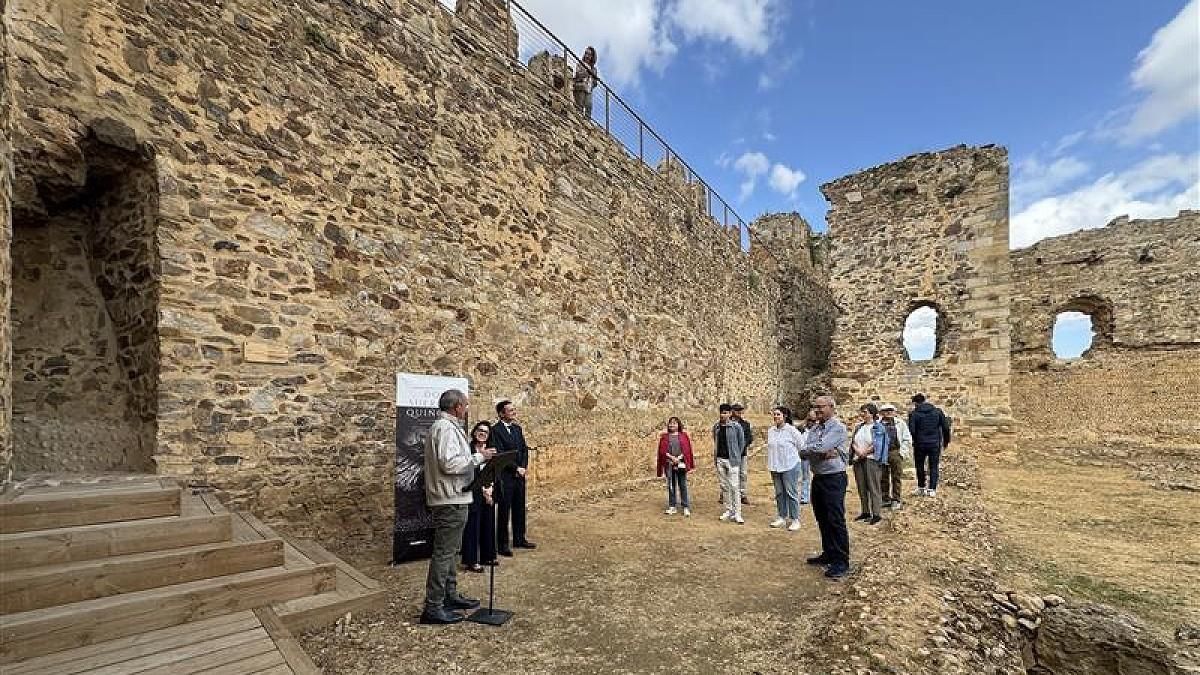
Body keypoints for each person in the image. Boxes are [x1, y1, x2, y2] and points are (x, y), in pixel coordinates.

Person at [421, 389, 494, 624]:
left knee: (451, 551)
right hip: (449, 498)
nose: (467, 409)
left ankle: (449, 595)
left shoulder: (448, 427)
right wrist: (479, 457)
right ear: (457, 407)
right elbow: (450, 464)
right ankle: (433, 606)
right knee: (444, 553)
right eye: (466, 405)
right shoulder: (444, 428)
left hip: (455, 497)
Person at [799, 395, 851, 579]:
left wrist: (818, 450)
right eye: (816, 407)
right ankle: (828, 553)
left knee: (835, 520)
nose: (818, 410)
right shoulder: (815, 428)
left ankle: (841, 561)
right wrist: (819, 450)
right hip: (819, 478)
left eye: (821, 407)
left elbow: (818, 448)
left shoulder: (837, 428)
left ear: (831, 407)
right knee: (822, 518)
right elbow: (804, 451)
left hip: (834, 479)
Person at [490, 400, 537, 555]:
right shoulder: (495, 431)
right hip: (506, 476)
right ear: (501, 414)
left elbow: (523, 449)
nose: (514, 412)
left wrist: (523, 467)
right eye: (510, 410)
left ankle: (519, 538)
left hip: (519, 475)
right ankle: (502, 544)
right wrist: (515, 468)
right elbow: (500, 453)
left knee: (519, 507)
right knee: (504, 509)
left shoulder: (517, 429)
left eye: (513, 409)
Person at [461, 422, 498, 573]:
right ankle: (471, 560)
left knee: (488, 522)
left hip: (488, 491)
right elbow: (466, 470)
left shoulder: (491, 451)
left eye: (486, 432)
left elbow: (495, 470)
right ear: (474, 432)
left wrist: (490, 488)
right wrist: (482, 490)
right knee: (472, 526)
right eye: (480, 430)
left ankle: (487, 556)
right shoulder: (467, 449)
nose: (482, 433)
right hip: (473, 492)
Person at [766, 406, 805, 532]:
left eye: (778, 414)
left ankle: (795, 519)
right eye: (774, 414)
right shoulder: (771, 431)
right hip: (775, 466)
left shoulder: (792, 431)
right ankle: (781, 516)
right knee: (779, 493)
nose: (776, 417)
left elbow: (801, 446)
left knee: (791, 492)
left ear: (785, 416)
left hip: (790, 465)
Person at [907, 393, 952, 497]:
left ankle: (921, 487)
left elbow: (912, 430)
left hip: (920, 444)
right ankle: (932, 489)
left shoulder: (914, 414)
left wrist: (915, 440)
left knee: (919, 466)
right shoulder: (937, 411)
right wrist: (946, 441)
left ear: (915, 403)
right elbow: (945, 427)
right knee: (933, 466)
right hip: (934, 443)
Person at [850, 403, 888, 525]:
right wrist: (857, 451)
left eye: (865, 412)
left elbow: (877, 444)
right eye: (862, 412)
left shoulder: (878, 427)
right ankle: (865, 511)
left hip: (871, 459)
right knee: (862, 486)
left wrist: (864, 453)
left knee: (873, 486)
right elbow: (853, 441)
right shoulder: (859, 427)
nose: (862, 414)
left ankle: (876, 513)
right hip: (858, 459)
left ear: (872, 414)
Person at [712, 404, 747, 524]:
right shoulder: (716, 427)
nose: (723, 415)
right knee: (724, 486)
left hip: (732, 460)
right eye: (722, 412)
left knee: (734, 486)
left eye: (726, 413)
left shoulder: (736, 427)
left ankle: (737, 513)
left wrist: (736, 454)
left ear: (730, 414)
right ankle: (728, 509)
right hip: (720, 459)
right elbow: (715, 441)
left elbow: (741, 442)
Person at [656, 417, 695, 516]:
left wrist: (679, 458)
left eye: (674, 423)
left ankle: (685, 506)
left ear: (679, 425)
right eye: (670, 423)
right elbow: (662, 451)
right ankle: (672, 506)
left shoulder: (683, 436)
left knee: (683, 484)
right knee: (671, 485)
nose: (672, 425)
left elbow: (687, 450)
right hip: (670, 463)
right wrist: (672, 458)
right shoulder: (664, 437)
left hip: (681, 463)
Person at [878, 404, 912, 508]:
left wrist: (902, 453)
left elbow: (907, 438)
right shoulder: (878, 424)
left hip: (895, 451)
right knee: (883, 476)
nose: (888, 412)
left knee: (896, 476)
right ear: (882, 412)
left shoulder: (900, 423)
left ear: (894, 412)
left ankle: (896, 499)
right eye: (886, 410)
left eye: (890, 410)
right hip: (882, 452)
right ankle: (885, 498)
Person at [731, 403, 753, 505]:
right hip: (730, 454)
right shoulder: (727, 423)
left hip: (742, 453)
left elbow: (749, 438)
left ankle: (742, 494)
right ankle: (727, 494)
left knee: (742, 474)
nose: (739, 412)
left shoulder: (745, 424)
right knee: (729, 473)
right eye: (736, 410)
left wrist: (742, 446)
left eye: (740, 410)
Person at [797, 409, 818, 506]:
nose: (811, 423)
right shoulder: (801, 430)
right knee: (804, 476)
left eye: (814, 421)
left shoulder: (818, 430)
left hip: (815, 455)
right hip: (804, 455)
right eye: (810, 420)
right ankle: (804, 497)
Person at [572, 46, 598, 117]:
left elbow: (595, 82)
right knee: (579, 105)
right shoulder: (580, 64)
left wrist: (594, 82)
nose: (587, 56)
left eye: (589, 54)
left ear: (592, 57)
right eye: (586, 53)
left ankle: (586, 124)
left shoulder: (594, 69)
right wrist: (587, 73)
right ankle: (577, 120)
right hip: (580, 87)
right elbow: (578, 75)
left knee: (589, 106)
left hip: (589, 89)